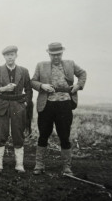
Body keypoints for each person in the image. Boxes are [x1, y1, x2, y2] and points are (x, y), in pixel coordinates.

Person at [31, 42, 87, 175]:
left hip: (65, 104)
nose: (56, 57)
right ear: (49, 54)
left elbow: (83, 74)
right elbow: (32, 81)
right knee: (43, 135)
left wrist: (78, 86)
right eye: (53, 55)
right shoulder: (41, 65)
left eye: (58, 54)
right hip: (46, 105)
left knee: (64, 135)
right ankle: (39, 165)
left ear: (62, 53)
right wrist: (42, 86)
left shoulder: (70, 64)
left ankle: (67, 167)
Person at [0, 46, 33, 173]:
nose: (10, 57)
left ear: (16, 56)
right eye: (7, 55)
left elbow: (29, 89)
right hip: (1, 106)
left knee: (18, 134)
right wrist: (3, 89)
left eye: (12, 54)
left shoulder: (23, 71)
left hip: (18, 106)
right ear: (4, 57)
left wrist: (25, 103)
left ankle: (19, 165)